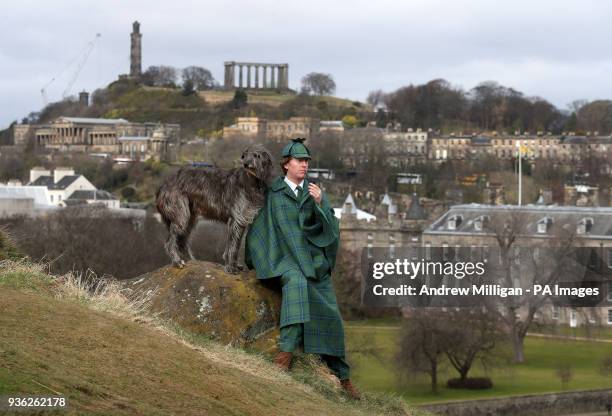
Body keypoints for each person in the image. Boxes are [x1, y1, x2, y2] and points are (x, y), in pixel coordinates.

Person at [245, 137, 361, 400]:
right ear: (286, 164)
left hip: (313, 263)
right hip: (283, 261)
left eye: (307, 161)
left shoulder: (314, 192)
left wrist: (321, 205)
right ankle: (283, 357)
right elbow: (260, 229)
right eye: (299, 160)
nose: (304, 165)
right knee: (296, 283)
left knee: (332, 314)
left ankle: (343, 377)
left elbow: (331, 230)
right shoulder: (273, 194)